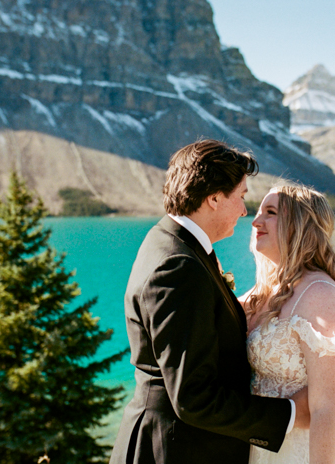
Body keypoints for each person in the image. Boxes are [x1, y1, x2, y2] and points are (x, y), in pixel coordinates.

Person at [110, 140, 310, 464]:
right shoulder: (179, 267)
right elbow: (194, 398)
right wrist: (290, 414)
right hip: (174, 450)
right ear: (214, 198)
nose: (245, 211)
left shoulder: (171, 242)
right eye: (241, 196)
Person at [244, 185, 335, 464]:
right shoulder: (262, 292)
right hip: (256, 446)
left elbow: (325, 410)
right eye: (257, 211)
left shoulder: (321, 295)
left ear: (299, 226)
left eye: (271, 212)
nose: (255, 221)